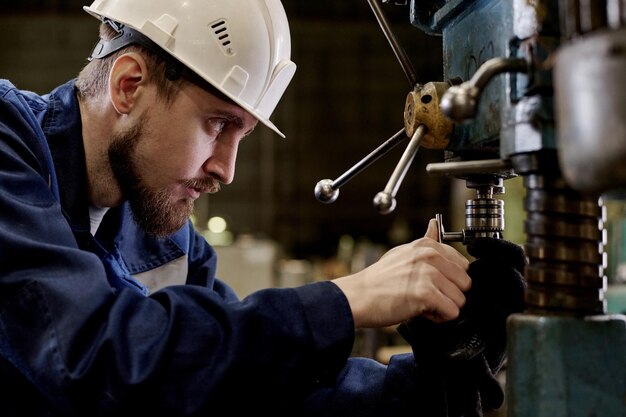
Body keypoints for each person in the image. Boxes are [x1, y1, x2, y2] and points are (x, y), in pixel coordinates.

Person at [0, 0, 526, 416]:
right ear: (129, 85)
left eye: (243, 135)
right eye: (217, 124)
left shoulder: (166, 236)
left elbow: (238, 388)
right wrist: (347, 299)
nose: (225, 170)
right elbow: (101, 365)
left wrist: (435, 380)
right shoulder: (9, 148)